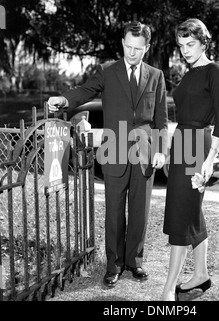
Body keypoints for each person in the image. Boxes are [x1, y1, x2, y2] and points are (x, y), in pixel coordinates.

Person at [47, 21, 168, 288]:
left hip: (145, 153)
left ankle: (135, 262)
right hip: (114, 151)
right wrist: (65, 100)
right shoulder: (107, 71)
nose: (132, 52)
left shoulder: (156, 76)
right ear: (122, 43)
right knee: (114, 212)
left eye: (138, 48)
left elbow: (161, 119)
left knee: (140, 211)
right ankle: (113, 266)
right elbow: (85, 90)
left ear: (146, 48)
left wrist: (161, 151)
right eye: (128, 46)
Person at [162, 18, 219, 301]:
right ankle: (200, 274)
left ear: (204, 42)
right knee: (190, 210)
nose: (185, 50)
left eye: (191, 44)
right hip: (182, 142)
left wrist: (210, 158)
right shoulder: (189, 73)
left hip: (198, 145)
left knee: (180, 214)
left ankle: (167, 290)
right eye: (181, 45)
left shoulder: (214, 71)